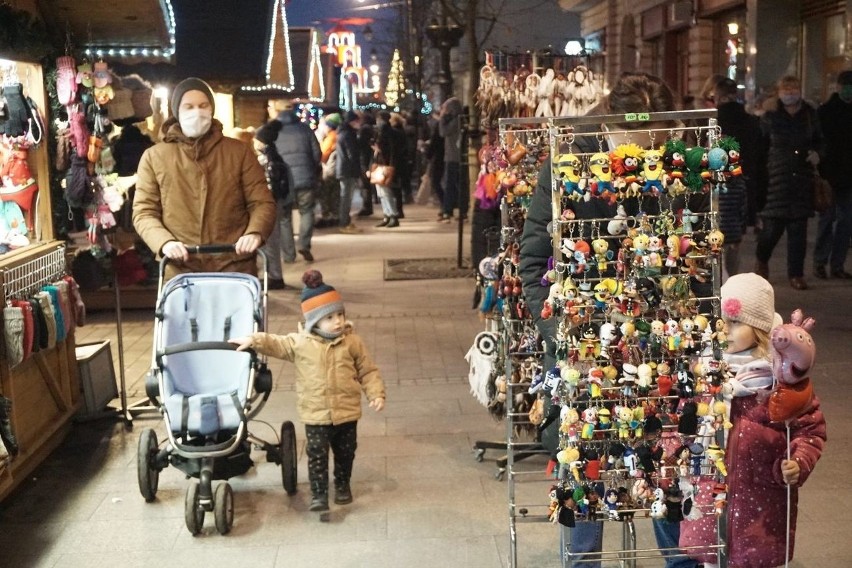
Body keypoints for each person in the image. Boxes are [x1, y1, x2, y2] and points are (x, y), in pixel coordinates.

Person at [519, 72, 696, 568]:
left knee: (669, 463)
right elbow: (533, 264)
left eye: (654, 143)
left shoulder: (681, 168)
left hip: (662, 351)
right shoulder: (569, 165)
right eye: (634, 145)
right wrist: (563, 334)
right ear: (610, 128)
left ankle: (680, 558)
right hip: (584, 359)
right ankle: (583, 562)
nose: (644, 154)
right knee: (587, 473)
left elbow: (699, 253)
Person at [679, 273, 826, 567]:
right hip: (711, 492)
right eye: (721, 323)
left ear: (759, 328)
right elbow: (685, 417)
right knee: (712, 559)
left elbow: (811, 429)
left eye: (735, 323)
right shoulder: (706, 371)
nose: (726, 331)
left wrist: (799, 461)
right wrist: (677, 450)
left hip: (762, 503)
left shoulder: (780, 381)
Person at [229, 270, 386, 513]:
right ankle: (319, 494)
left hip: (347, 412)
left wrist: (376, 393)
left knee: (346, 453)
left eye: (340, 314)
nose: (338, 321)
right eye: (330, 317)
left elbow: (367, 370)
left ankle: (342, 484)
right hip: (316, 414)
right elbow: (276, 343)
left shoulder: (352, 342)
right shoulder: (300, 343)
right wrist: (254, 340)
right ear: (314, 321)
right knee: (317, 455)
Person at [133, 77, 275, 278]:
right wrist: (164, 242)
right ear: (177, 112)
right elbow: (144, 212)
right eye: (188, 107)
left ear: (211, 109)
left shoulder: (239, 153)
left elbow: (262, 202)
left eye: (203, 105)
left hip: (233, 263)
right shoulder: (154, 157)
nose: (196, 112)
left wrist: (255, 232)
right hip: (181, 267)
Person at [755, 75, 824, 290]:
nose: (790, 93)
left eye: (794, 88)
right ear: (779, 91)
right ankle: (761, 261)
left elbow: (820, 140)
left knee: (798, 233)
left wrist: (817, 154)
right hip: (776, 177)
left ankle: (796, 274)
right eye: (786, 89)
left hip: (801, 179)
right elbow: (760, 147)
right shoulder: (770, 115)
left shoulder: (809, 114)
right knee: (771, 231)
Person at [713, 77, 764, 277]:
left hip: (718, 180)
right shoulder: (751, 121)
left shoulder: (714, 121)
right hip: (744, 178)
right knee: (733, 251)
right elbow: (758, 154)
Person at [267, 98, 322, 263]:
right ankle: (304, 244)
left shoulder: (272, 131)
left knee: (284, 218)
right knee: (307, 211)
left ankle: (289, 255)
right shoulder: (305, 130)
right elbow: (317, 154)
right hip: (305, 178)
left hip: (283, 182)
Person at [813, 70, 852, 280]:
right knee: (827, 220)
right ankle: (820, 262)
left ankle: (837, 264)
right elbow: (821, 142)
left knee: (845, 222)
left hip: (847, 176)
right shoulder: (826, 111)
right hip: (829, 174)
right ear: (838, 87)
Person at [254, 120, 291, 289]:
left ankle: (275, 277)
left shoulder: (266, 159)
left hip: (271, 204)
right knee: (272, 241)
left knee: (270, 241)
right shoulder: (273, 156)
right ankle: (274, 275)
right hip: (277, 203)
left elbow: (270, 185)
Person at [371, 111, 402, 228]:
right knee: (382, 191)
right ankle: (388, 215)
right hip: (383, 163)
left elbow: (389, 149)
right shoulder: (385, 131)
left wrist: (379, 150)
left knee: (385, 191)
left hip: (383, 164)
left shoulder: (386, 132)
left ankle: (392, 215)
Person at [335, 110, 363, 234]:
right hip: (348, 170)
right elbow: (352, 153)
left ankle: (345, 221)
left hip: (344, 169)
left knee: (346, 196)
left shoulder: (343, 132)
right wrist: (358, 169)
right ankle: (344, 223)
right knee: (346, 197)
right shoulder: (348, 134)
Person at [438, 97, 463, 222]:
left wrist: (442, 118)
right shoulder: (457, 120)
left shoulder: (455, 121)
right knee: (454, 184)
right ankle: (453, 210)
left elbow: (443, 132)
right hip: (453, 155)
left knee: (451, 185)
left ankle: (449, 210)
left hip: (454, 157)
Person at [356, 110, 377, 217]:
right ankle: (368, 205)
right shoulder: (371, 129)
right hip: (367, 158)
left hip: (364, 159)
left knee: (364, 185)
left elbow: (361, 145)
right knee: (366, 185)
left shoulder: (364, 130)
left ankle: (367, 206)